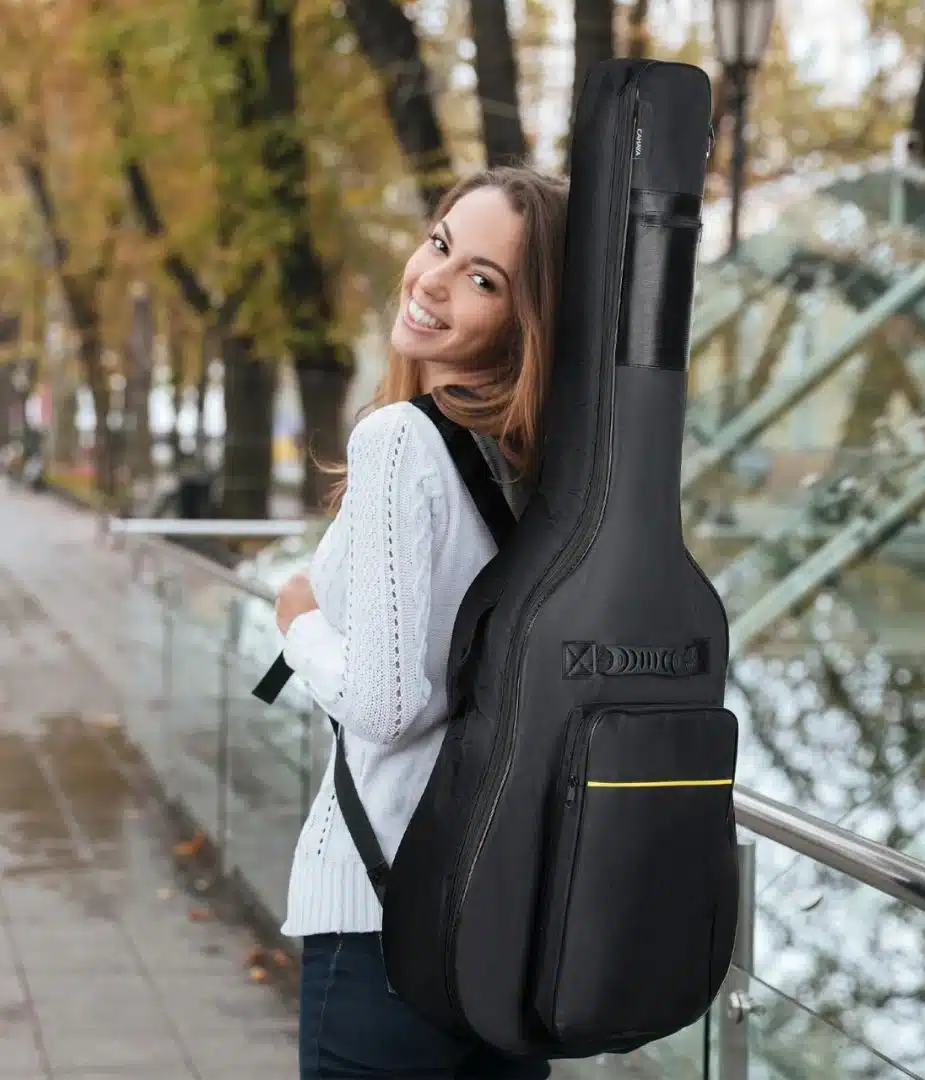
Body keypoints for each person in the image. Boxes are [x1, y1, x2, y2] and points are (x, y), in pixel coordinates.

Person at [273, 165, 568, 1080]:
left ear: (523, 324)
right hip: (506, 925)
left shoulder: (402, 438)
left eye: (483, 279)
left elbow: (391, 703)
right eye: (440, 242)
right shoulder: (547, 468)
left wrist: (299, 623)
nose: (433, 279)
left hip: (383, 922)